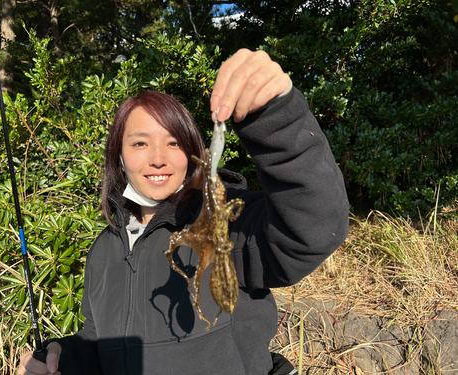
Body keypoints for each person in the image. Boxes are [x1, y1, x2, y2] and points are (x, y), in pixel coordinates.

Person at [18, 49, 349, 375]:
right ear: (119, 157)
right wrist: (66, 355)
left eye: (174, 142)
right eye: (139, 143)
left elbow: (313, 228)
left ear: (193, 153)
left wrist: (278, 116)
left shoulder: (221, 220)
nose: (158, 157)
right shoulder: (103, 250)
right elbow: (98, 339)